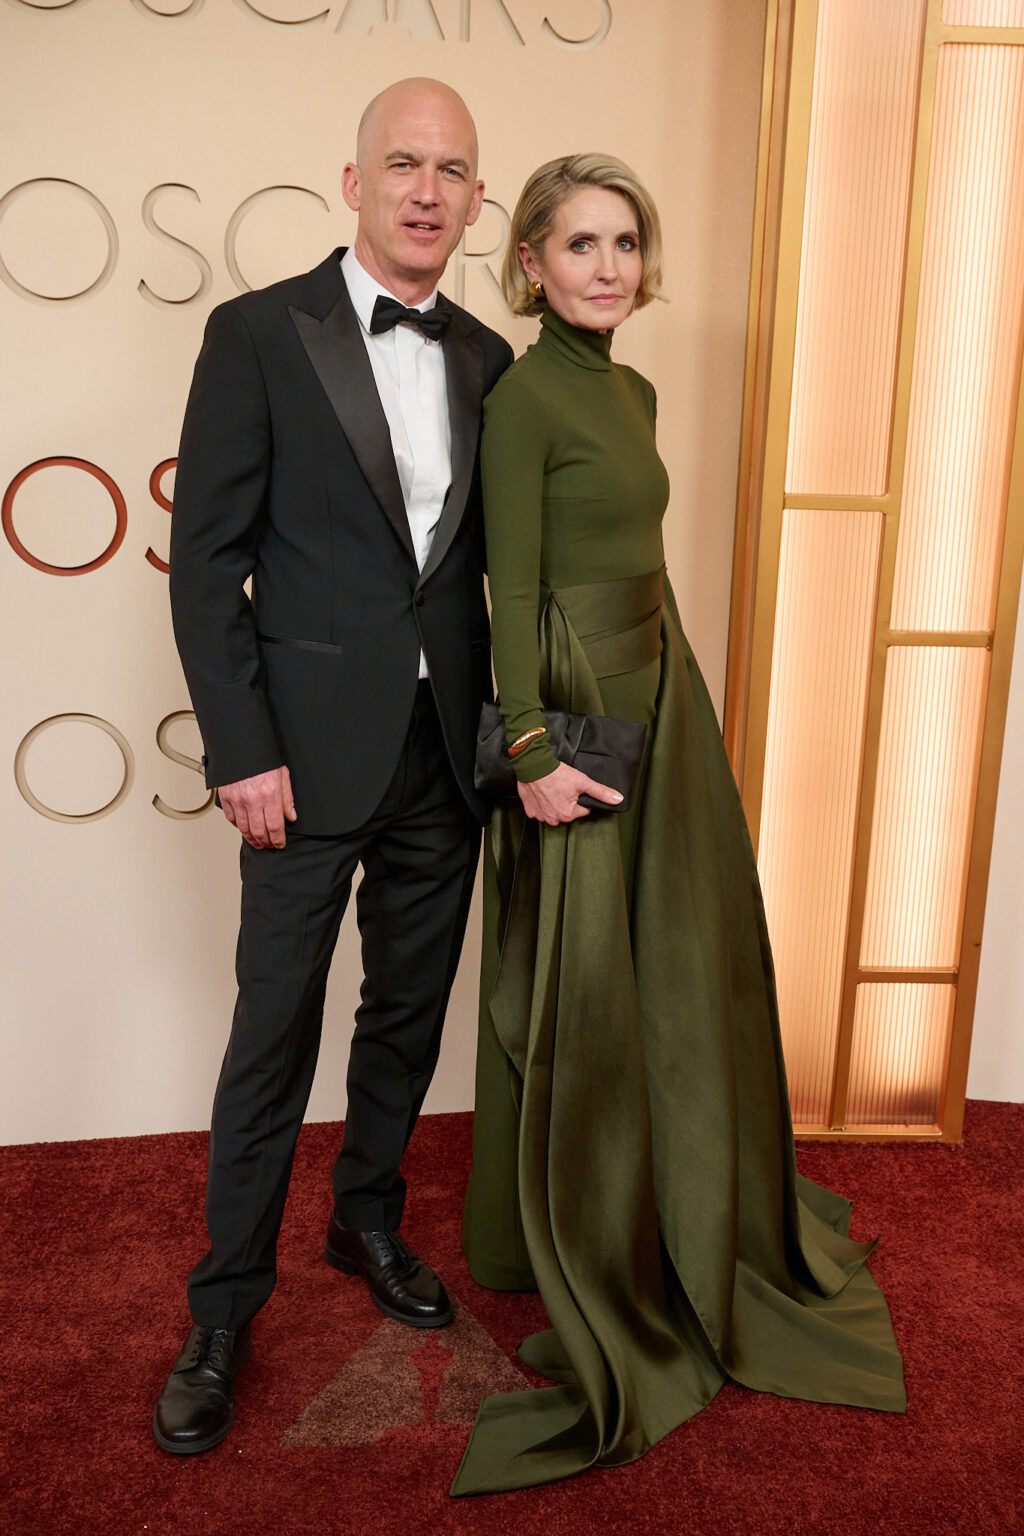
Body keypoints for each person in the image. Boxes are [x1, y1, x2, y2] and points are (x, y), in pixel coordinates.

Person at [454, 154, 906, 1496]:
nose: (606, 266)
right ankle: (589, 1241)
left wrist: (679, 693)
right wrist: (530, 744)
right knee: (590, 990)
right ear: (529, 262)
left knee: (681, 973)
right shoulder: (526, 397)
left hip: (663, 681)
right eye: (579, 244)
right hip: (580, 710)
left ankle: (682, 1206)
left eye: (626, 243)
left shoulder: (636, 388)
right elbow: (512, 585)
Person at [154, 77, 513, 1456]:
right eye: (404, 164)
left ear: (477, 200)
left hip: (442, 755)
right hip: (297, 765)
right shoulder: (256, 334)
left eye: (455, 171)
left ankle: (367, 1217)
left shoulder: (489, 358)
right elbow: (207, 567)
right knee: (272, 1034)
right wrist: (243, 749)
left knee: (408, 1014)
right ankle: (224, 1306)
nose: (429, 190)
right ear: (352, 179)